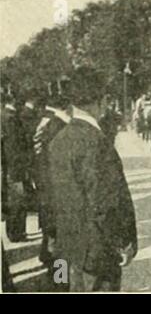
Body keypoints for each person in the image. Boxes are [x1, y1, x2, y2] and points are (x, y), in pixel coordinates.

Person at [48, 67, 138, 291]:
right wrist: (124, 242)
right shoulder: (98, 142)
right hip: (97, 255)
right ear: (102, 100)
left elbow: (49, 199)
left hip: (65, 252)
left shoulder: (57, 140)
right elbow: (106, 204)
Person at [33, 79, 71, 289]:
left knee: (53, 239)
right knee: (61, 245)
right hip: (58, 194)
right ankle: (61, 283)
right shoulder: (59, 127)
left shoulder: (44, 123)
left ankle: (55, 275)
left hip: (46, 191)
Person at [1, 92, 28, 242]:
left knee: (13, 200)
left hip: (8, 167)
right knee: (17, 200)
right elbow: (13, 147)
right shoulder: (11, 119)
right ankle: (17, 232)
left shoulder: (4, 116)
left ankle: (13, 231)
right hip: (14, 167)